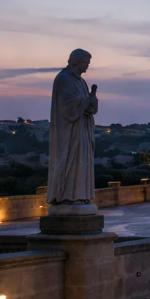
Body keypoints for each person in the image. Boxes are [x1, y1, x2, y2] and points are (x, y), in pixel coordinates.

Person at [46, 49, 99, 207]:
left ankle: (80, 195)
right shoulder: (63, 79)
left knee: (82, 162)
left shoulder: (82, 82)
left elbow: (88, 107)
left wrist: (92, 101)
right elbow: (66, 104)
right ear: (75, 61)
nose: (87, 66)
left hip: (82, 128)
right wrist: (84, 100)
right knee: (69, 161)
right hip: (69, 131)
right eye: (85, 63)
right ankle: (66, 196)